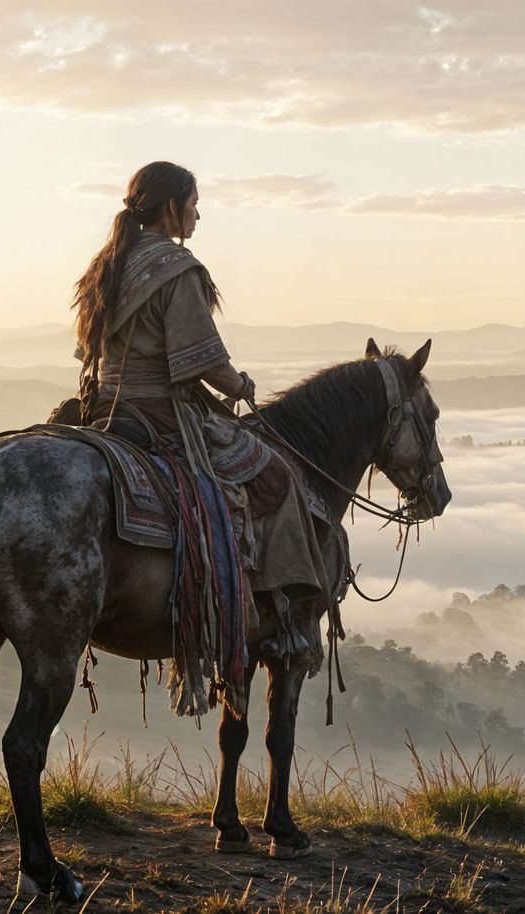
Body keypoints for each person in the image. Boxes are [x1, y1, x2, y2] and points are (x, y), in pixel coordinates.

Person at [72, 161, 332, 657]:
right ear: (172, 207)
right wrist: (241, 385)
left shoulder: (106, 265)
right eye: (193, 204)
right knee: (274, 476)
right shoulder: (177, 268)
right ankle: (276, 614)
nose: (197, 215)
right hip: (159, 414)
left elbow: (88, 349)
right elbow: (204, 361)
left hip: (104, 409)